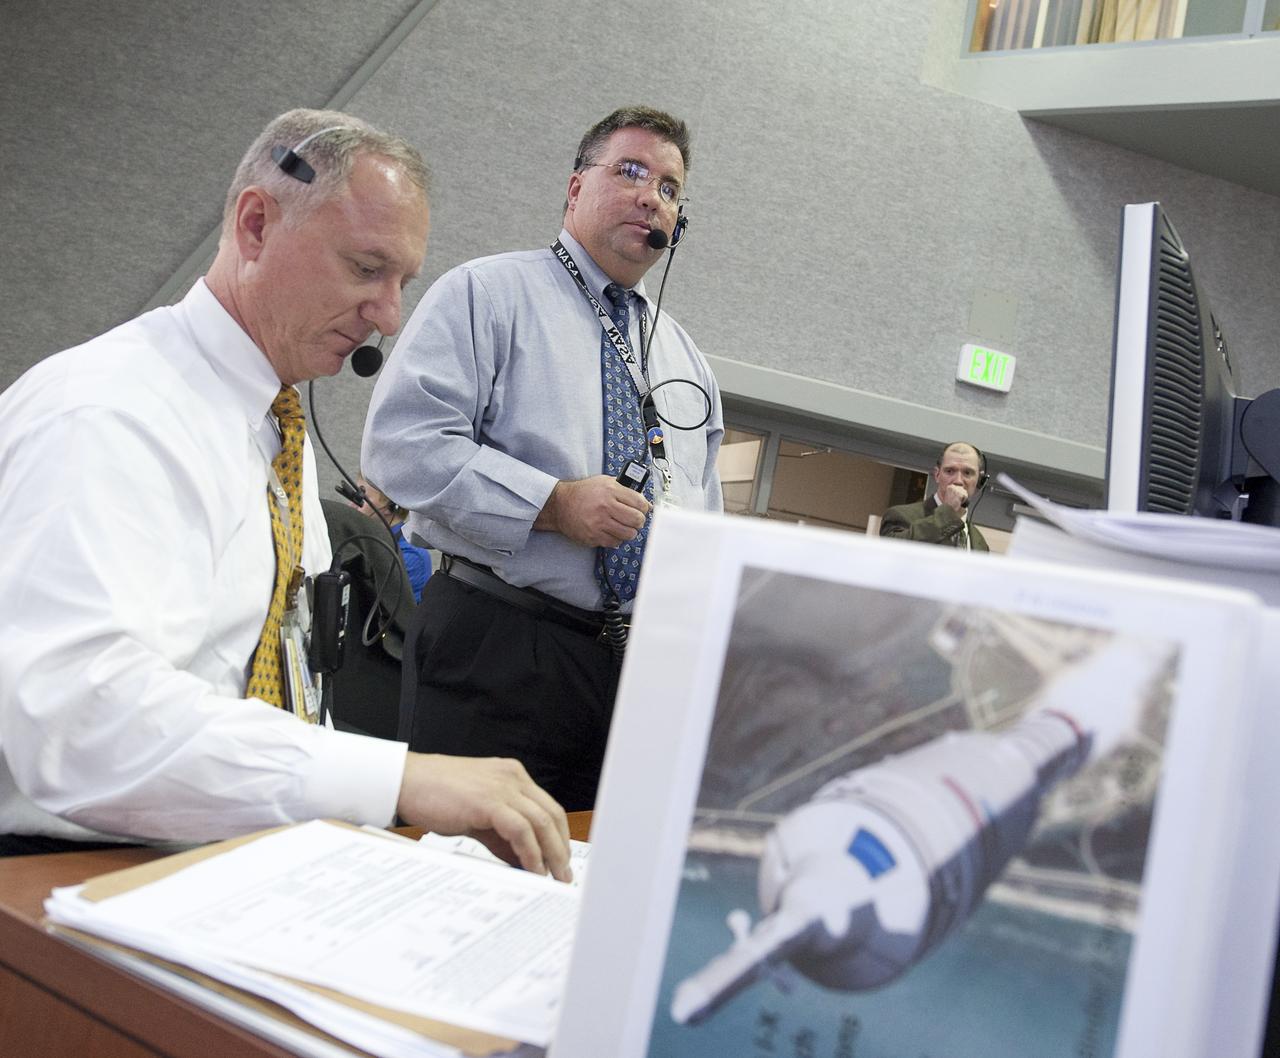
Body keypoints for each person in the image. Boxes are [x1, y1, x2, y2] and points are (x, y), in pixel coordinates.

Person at [0, 108, 570, 881]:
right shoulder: (106, 413)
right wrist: (395, 781)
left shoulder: (278, 428)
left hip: (212, 857)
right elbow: (78, 718)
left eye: (402, 281)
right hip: (63, 876)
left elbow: (278, 681)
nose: (390, 316)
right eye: (366, 269)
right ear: (257, 225)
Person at [362, 105, 724, 810]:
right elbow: (401, 446)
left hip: (631, 672)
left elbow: (702, 510)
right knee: (460, 870)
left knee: (584, 885)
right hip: (498, 644)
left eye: (671, 188)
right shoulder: (488, 294)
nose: (653, 195)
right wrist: (551, 505)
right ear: (574, 188)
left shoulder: (687, 361)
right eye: (630, 171)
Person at [879, 442, 991, 551]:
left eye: (967, 473)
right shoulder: (900, 515)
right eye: (950, 471)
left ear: (979, 481)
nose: (958, 481)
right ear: (937, 475)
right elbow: (894, 553)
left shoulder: (979, 542)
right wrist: (948, 511)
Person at [350, 475, 433, 603]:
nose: (351, 504)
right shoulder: (362, 540)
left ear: (391, 505)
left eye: (362, 496)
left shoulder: (411, 555)